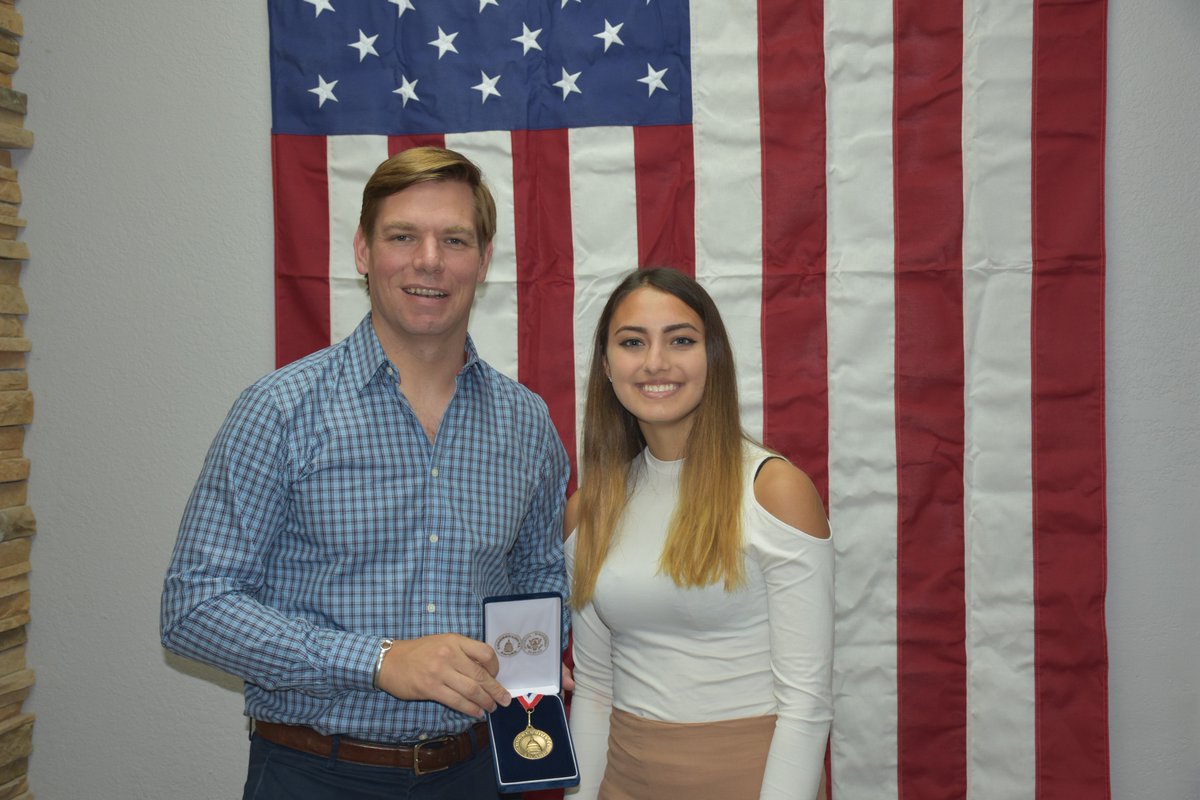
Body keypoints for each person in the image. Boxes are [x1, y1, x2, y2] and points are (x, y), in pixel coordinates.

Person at [161, 146, 570, 800]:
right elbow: (194, 607)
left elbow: (537, 576)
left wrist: (528, 669)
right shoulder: (279, 411)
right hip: (314, 774)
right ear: (362, 251)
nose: (429, 260)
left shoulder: (527, 423)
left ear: (484, 260)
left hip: (475, 773)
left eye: (454, 239)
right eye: (402, 236)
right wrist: (379, 661)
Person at [564, 268, 833, 800]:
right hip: (622, 783)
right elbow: (594, 690)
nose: (655, 362)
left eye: (680, 340)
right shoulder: (589, 509)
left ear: (713, 357)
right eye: (632, 342)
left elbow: (806, 704)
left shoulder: (775, 491)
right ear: (606, 365)